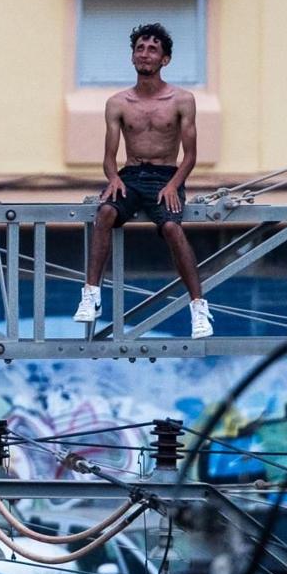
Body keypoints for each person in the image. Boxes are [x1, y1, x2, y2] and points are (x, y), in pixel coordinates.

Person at [73, 22, 214, 340]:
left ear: (165, 60)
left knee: (171, 228)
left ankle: (198, 307)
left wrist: (173, 184)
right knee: (106, 212)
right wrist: (112, 179)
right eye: (140, 48)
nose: (145, 54)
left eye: (152, 49)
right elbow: (110, 156)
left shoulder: (182, 100)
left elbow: (190, 156)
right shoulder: (118, 103)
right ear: (132, 56)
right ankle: (91, 295)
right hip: (132, 175)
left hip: (167, 175)